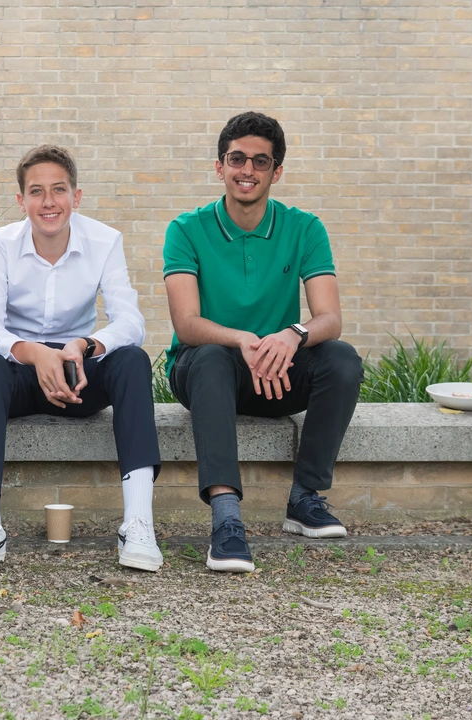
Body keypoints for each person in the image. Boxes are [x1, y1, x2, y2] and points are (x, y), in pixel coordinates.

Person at [163, 112, 364, 573]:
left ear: (277, 171)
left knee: (342, 359)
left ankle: (305, 499)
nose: (247, 170)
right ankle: (227, 518)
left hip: (276, 372)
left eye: (260, 161)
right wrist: (243, 340)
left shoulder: (305, 228)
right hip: (205, 370)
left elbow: (330, 318)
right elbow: (188, 323)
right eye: (237, 159)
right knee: (212, 356)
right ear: (220, 167)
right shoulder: (186, 229)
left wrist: (292, 335)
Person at [0, 145, 162, 573]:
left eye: (58, 190)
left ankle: (139, 523)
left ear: (76, 195)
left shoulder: (105, 241)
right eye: (36, 192)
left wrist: (84, 346)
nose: (48, 202)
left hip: (77, 376)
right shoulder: (0, 243)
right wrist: (31, 353)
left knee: (133, 361)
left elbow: (131, 321)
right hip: (18, 375)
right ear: (21, 201)